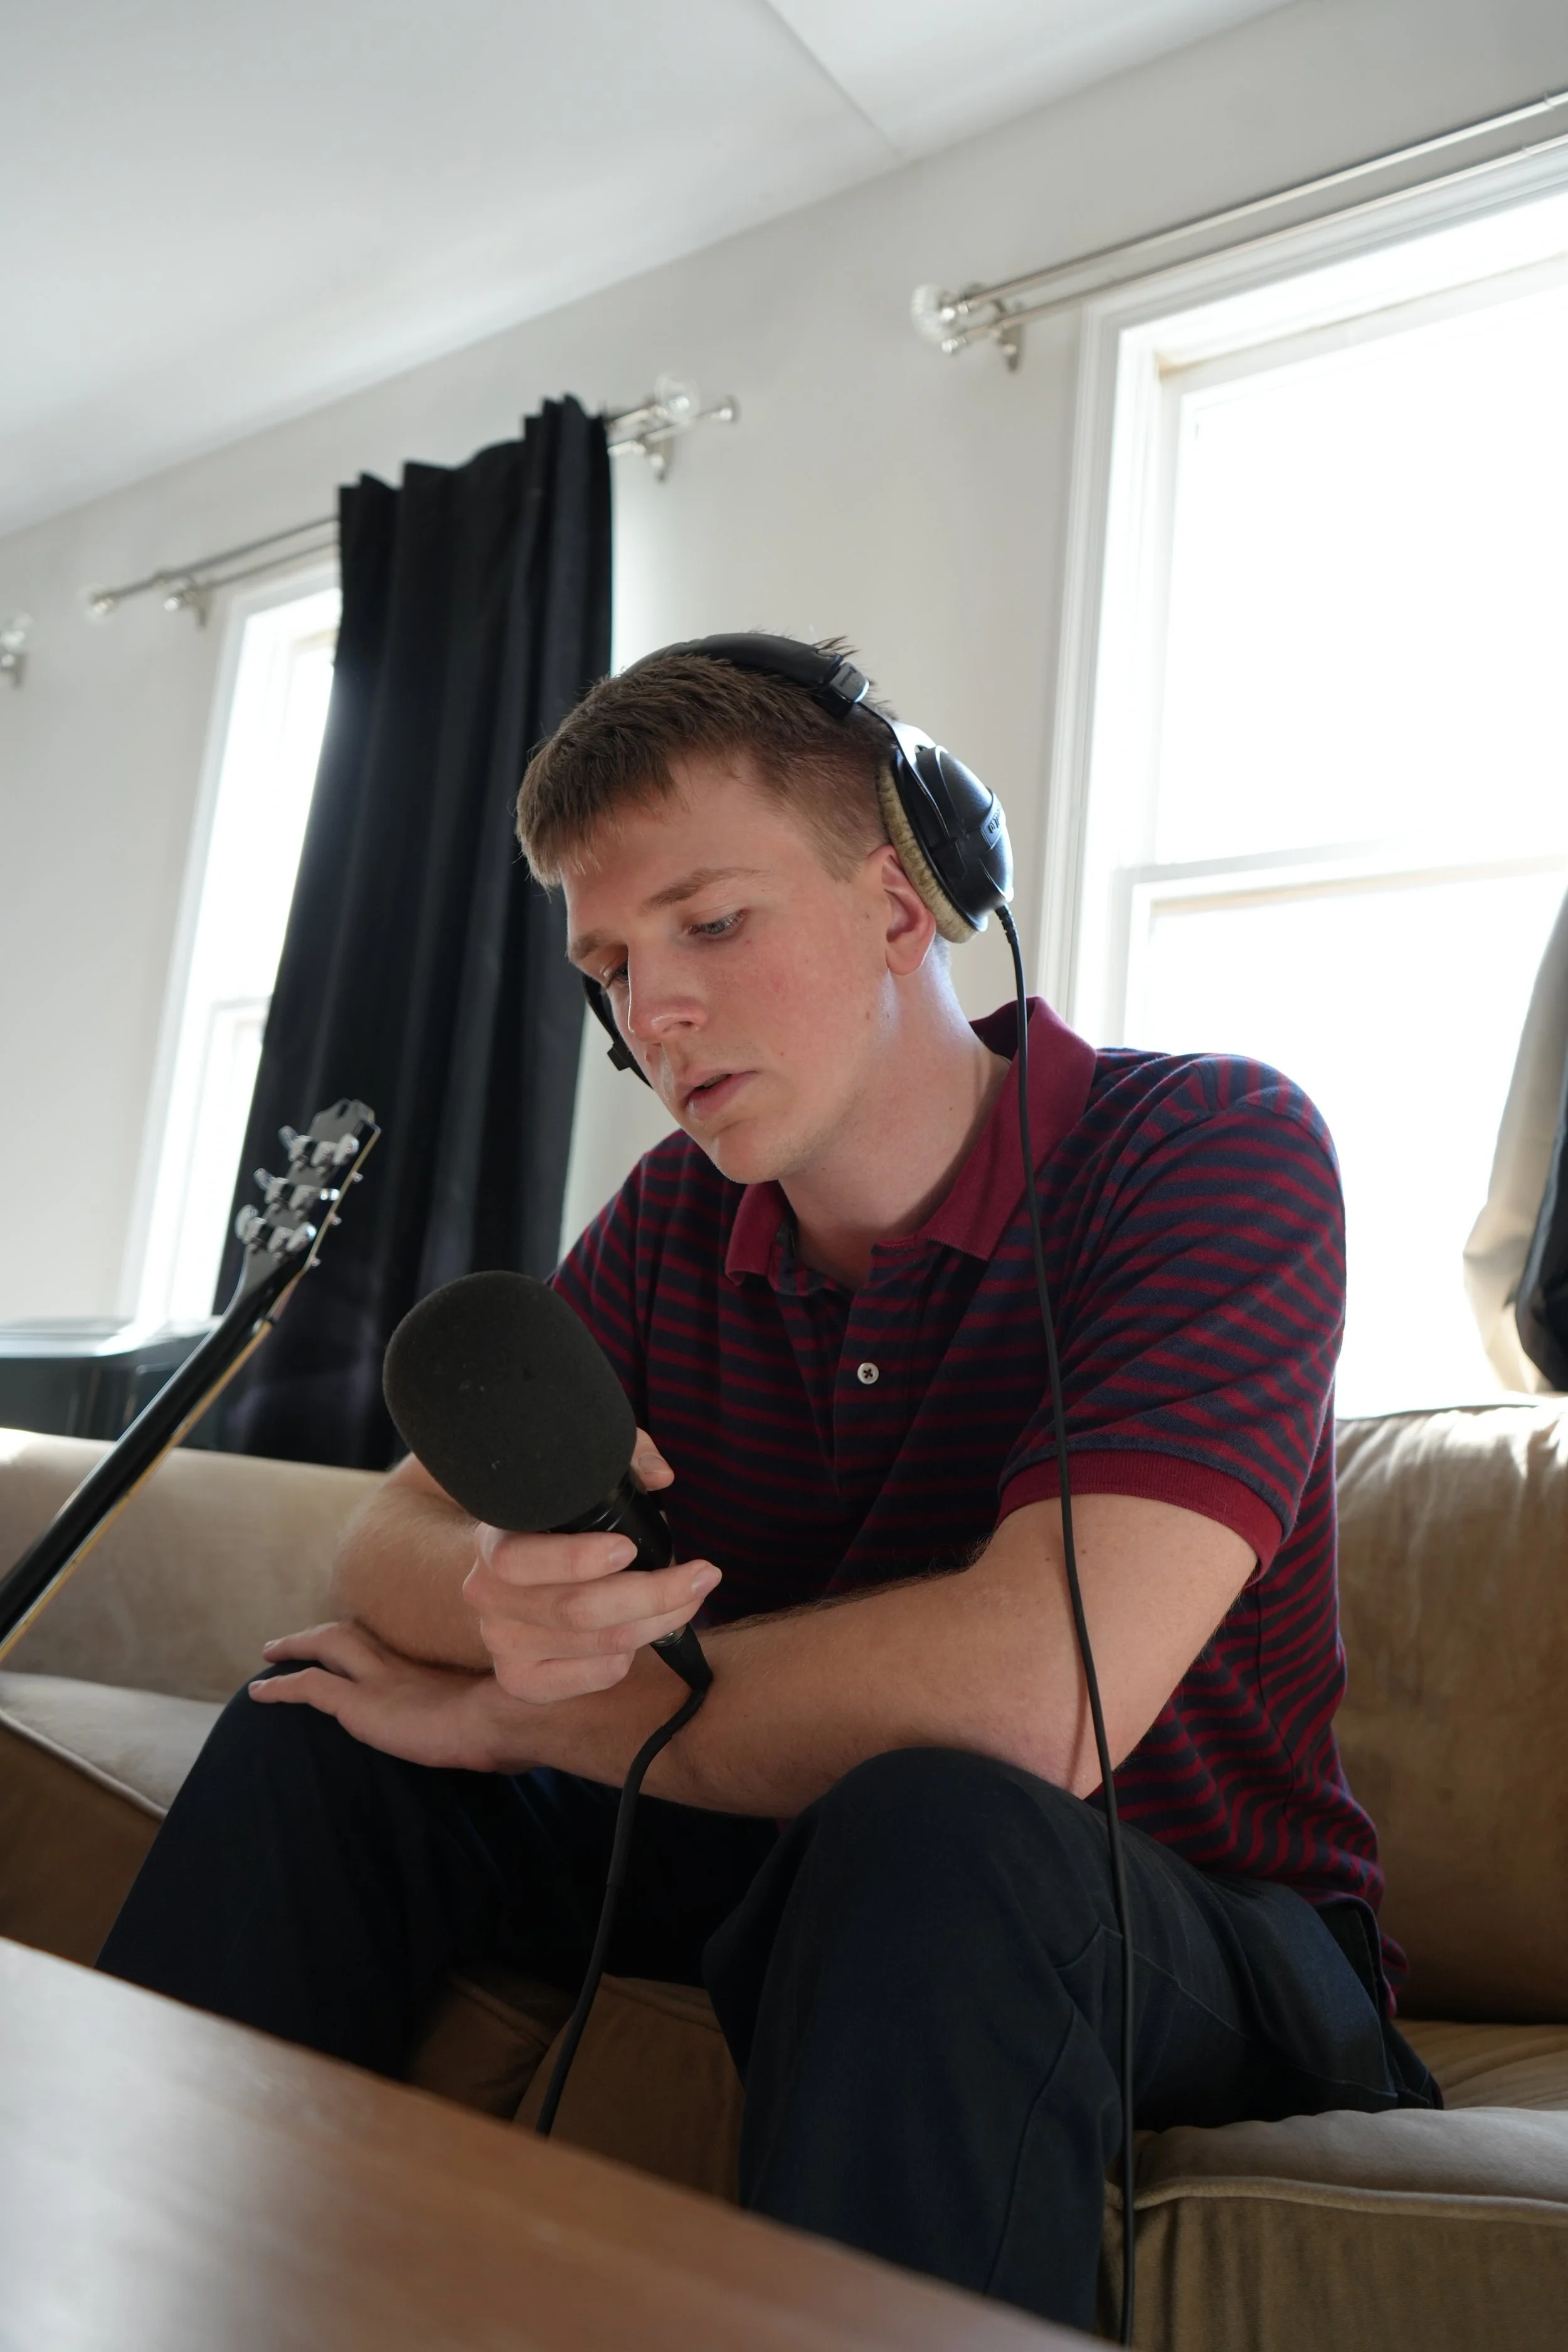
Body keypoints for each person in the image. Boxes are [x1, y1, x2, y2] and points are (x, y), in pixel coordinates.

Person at [100, 637, 1435, 2334]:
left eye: (712, 923)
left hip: (1185, 1918)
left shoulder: (1208, 1152)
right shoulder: (677, 1218)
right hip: (768, 1845)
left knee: (934, 1831)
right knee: (319, 1726)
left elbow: (1037, 1705)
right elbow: (392, 1533)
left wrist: (531, 1714)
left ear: (903, 902)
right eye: (610, 965)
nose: (650, 1012)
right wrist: (496, 1604)